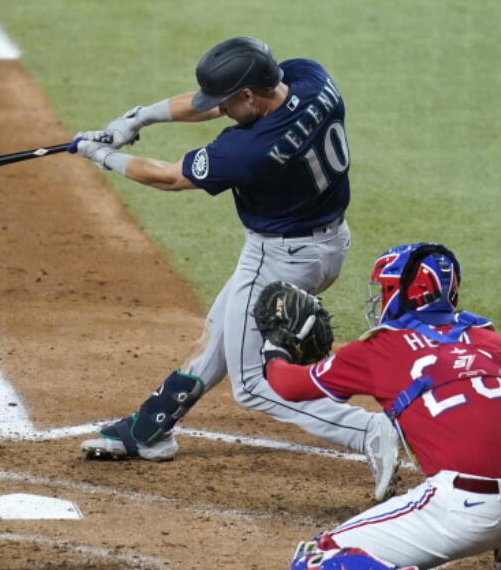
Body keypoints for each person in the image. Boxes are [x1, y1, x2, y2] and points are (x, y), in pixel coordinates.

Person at [70, 36, 400, 500]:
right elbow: (217, 107)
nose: (218, 110)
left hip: (279, 257)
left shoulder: (251, 150)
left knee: (252, 385)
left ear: (249, 95)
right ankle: (149, 428)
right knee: (221, 330)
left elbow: (170, 177)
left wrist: (102, 155)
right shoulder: (312, 78)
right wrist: (139, 117)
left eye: (227, 102)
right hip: (325, 245)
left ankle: (366, 431)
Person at [260, 243, 501, 570]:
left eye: (384, 290)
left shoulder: (379, 349)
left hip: (465, 513)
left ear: (402, 294)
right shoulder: (500, 344)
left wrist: (274, 349)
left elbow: (289, 386)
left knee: (316, 556)